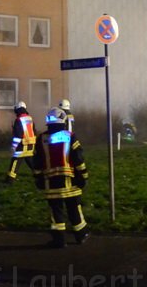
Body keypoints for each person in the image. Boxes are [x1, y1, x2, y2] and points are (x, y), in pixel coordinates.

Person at [31, 108, 89, 248]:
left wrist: (38, 177)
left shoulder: (41, 139)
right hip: (71, 182)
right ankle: (81, 235)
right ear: (63, 120)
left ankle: (59, 240)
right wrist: (84, 175)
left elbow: (37, 161)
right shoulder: (70, 136)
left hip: (51, 183)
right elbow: (78, 158)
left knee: (56, 212)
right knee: (74, 208)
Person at [5, 101, 36, 182]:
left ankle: (10, 180)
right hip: (31, 145)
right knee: (32, 162)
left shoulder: (19, 120)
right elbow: (34, 131)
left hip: (22, 145)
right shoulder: (30, 118)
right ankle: (40, 176)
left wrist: (13, 147)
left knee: (15, 161)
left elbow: (18, 135)